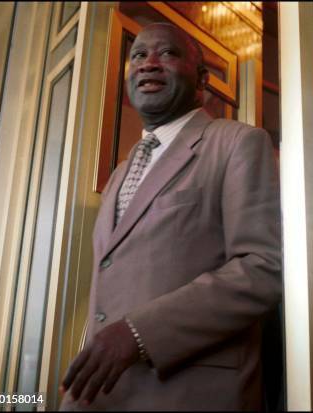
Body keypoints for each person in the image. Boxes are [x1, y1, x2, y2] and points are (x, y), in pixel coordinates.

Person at [59, 22, 282, 411]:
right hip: (99, 398)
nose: (148, 64)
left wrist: (138, 333)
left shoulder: (237, 143)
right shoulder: (119, 174)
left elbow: (263, 268)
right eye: (138, 55)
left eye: (167, 53)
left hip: (186, 395)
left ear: (202, 79)